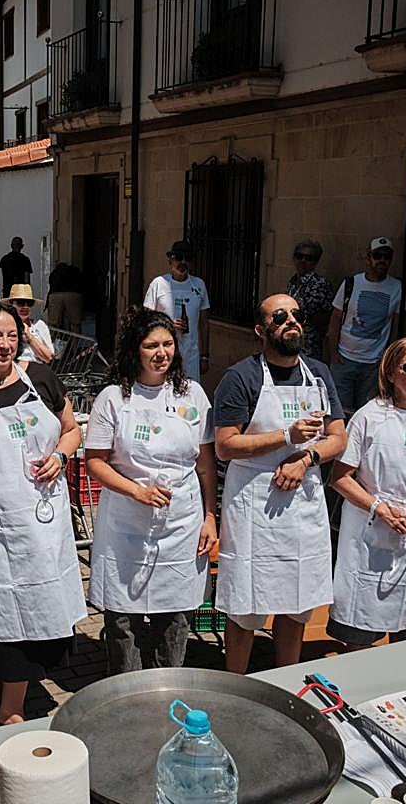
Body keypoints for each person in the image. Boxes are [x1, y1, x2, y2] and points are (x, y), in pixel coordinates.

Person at [0, 303, 85, 724]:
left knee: (41, 605)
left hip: (45, 524)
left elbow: (71, 429)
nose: (5, 344)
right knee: (4, 612)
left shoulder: (40, 378)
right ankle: (11, 708)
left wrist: (60, 457)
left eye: (12, 335)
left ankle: (10, 700)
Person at [213, 294, 346, 673]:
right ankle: (235, 683)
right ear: (261, 330)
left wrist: (306, 458)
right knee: (246, 605)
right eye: (280, 316)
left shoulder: (318, 374)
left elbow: (338, 437)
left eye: (297, 315)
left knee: (297, 600)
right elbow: (225, 445)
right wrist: (286, 436)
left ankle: (288, 678)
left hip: (303, 504)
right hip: (254, 503)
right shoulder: (241, 377)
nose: (292, 321)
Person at [85, 308, 217, 673]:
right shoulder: (113, 398)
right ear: (134, 350)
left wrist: (210, 516)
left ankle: (166, 683)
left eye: (168, 344)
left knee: (175, 614)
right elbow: (94, 461)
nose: (162, 353)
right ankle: (125, 686)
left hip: (181, 521)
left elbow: (206, 465)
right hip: (125, 522)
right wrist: (137, 492)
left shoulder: (193, 394)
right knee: (121, 616)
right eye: (151, 346)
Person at [328, 338, 406, 648]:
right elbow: (340, 478)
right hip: (373, 530)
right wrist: (380, 508)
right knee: (363, 626)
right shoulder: (369, 417)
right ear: (389, 373)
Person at [328, 237, 403, 416]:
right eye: (377, 256)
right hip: (344, 359)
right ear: (369, 258)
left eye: (386, 256)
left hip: (373, 364)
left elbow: (396, 326)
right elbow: (335, 319)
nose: (382, 260)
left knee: (367, 414)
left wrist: (386, 358)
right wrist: (333, 354)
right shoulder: (351, 284)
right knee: (340, 413)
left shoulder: (397, 288)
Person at [142, 240, 211, 383]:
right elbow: (145, 319)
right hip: (163, 356)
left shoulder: (199, 285)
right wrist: (168, 325)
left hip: (190, 357)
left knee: (189, 394)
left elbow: (204, 323)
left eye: (188, 259)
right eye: (179, 258)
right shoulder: (158, 284)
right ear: (170, 260)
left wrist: (204, 356)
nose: (183, 262)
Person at [285, 240, 334, 360]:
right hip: (289, 344)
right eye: (299, 256)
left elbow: (329, 317)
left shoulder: (320, 284)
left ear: (315, 262)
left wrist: (304, 315)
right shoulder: (292, 282)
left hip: (309, 348)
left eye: (309, 258)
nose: (303, 261)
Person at [4, 284, 53, 364]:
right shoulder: (4, 326)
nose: (25, 307)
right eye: (20, 303)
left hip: (37, 368)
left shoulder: (40, 325)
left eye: (29, 303)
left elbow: (49, 357)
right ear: (11, 304)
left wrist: (30, 338)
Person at [46, 262, 85, 333]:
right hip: (73, 294)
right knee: (75, 323)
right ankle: (75, 339)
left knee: (53, 324)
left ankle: (52, 338)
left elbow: (51, 285)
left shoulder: (54, 272)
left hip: (55, 295)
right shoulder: (75, 271)